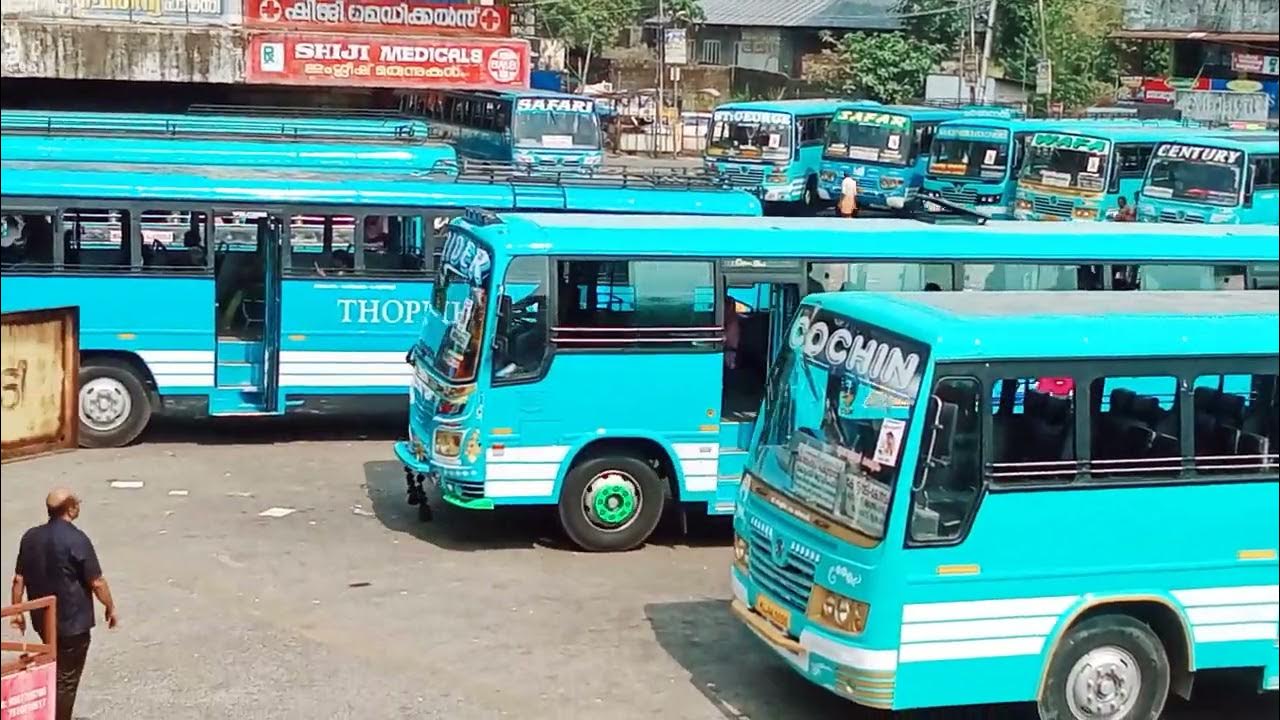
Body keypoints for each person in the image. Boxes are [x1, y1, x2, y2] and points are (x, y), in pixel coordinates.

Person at [10, 488, 118, 720]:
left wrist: (18, 611)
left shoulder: (30, 537)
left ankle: (47, 711)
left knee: (55, 669)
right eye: (77, 502)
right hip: (73, 624)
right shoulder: (76, 538)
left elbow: (19, 579)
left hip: (43, 620)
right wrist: (110, 607)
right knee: (66, 680)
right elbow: (97, 582)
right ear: (70, 507)